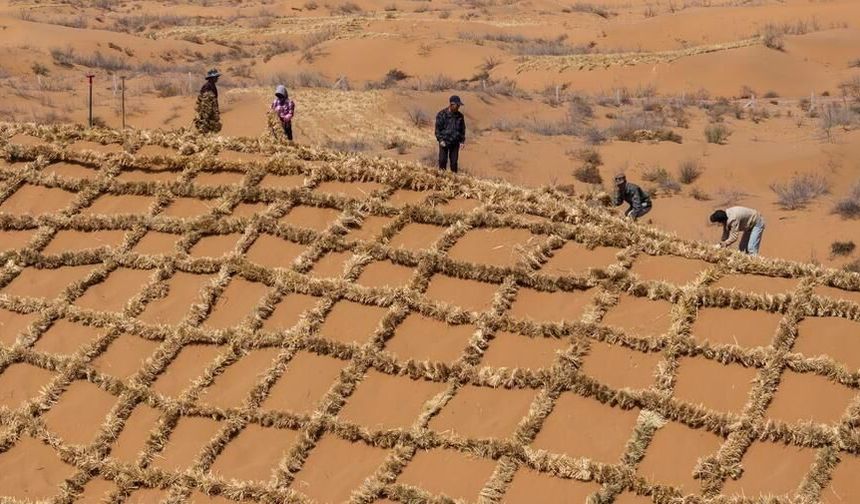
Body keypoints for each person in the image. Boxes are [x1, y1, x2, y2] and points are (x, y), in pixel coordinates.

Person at [435, 95, 466, 173]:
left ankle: (454, 180)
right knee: (442, 161)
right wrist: (440, 140)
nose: (459, 107)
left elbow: (462, 129)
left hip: (455, 142)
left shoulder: (460, 116)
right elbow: (437, 130)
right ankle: (442, 179)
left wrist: (462, 141)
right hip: (444, 142)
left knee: (454, 163)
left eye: (459, 105)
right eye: (457, 105)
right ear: (451, 104)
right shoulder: (442, 114)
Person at [193, 69, 221, 134]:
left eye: (217, 77)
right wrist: (208, 112)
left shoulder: (212, 85)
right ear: (211, 78)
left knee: (214, 126)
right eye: (216, 77)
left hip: (211, 109)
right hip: (207, 110)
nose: (217, 78)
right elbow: (205, 100)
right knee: (205, 125)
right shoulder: (207, 86)